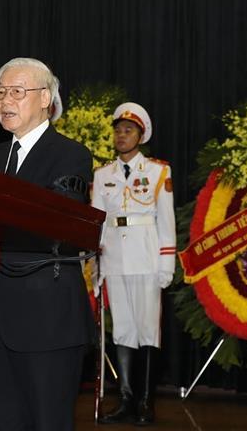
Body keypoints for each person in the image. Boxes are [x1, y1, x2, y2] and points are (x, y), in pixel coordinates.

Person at [0, 57, 95, 431]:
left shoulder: (70, 154)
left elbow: (58, 222)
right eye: (0, 93)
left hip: (48, 316)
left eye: (17, 92)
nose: (5, 101)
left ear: (45, 98)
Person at [92, 102, 175, 426]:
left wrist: (166, 263)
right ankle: (125, 399)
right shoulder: (102, 175)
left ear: (141, 136)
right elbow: (98, 223)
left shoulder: (157, 172)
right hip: (114, 258)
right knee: (123, 331)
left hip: (147, 257)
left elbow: (166, 221)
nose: (121, 136)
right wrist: (96, 267)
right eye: (118, 131)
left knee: (147, 331)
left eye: (128, 131)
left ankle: (145, 402)